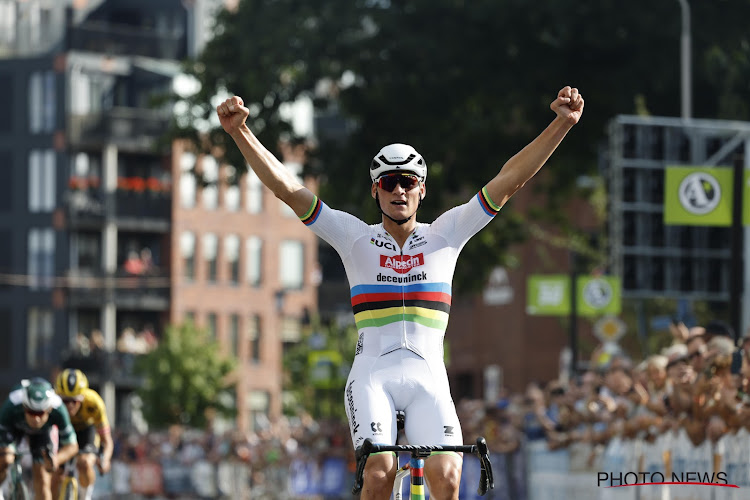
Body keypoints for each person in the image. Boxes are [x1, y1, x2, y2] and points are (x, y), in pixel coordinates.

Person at [217, 85, 584, 500]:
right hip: (374, 375)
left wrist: (561, 124)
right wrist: (239, 133)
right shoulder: (353, 237)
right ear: (376, 190)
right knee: (378, 471)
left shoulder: (447, 234)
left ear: (422, 189)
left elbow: (509, 181)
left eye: (408, 181)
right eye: (388, 182)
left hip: (429, 377)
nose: (399, 191)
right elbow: (287, 189)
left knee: (446, 476)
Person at [0, 377, 79, 500]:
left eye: (40, 413)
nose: (36, 419)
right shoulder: (12, 404)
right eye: (31, 412)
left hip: (42, 433)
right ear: (24, 407)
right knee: (5, 459)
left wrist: (55, 460)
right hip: (14, 428)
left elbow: (72, 446)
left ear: (49, 410)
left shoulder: (58, 408)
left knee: (43, 478)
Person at [52, 369, 114, 500]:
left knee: (84, 463)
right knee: (55, 471)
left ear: (82, 397)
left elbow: (107, 440)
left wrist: (105, 459)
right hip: (63, 433)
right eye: (65, 401)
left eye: (74, 401)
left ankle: (85, 496)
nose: (69, 406)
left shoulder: (94, 402)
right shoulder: (51, 403)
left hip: (86, 432)